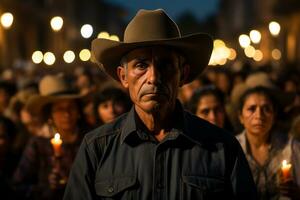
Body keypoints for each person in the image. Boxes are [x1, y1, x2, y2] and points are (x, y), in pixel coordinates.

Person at [64, 9, 257, 199]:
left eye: (165, 65)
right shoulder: (97, 148)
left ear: (183, 74)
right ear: (123, 77)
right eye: (141, 65)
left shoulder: (222, 147)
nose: (154, 77)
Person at [12, 75, 87, 200]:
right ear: (50, 115)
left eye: (71, 107)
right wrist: (47, 186)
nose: (67, 114)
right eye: (60, 109)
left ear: (78, 111)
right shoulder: (38, 144)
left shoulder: (91, 139)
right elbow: (17, 185)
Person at [236, 86, 300, 199]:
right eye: (251, 109)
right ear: (241, 116)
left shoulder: (290, 147)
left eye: (266, 109)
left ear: (274, 116)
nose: (259, 115)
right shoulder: (232, 148)